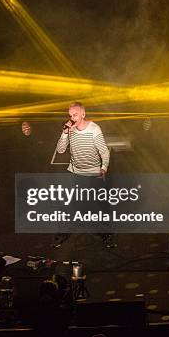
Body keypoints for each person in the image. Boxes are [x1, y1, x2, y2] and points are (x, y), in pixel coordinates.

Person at [55, 102, 114, 248]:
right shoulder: (70, 130)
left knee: (99, 204)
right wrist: (64, 133)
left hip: (93, 172)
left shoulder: (94, 129)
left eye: (75, 115)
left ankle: (106, 233)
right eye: (70, 115)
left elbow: (104, 151)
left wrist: (104, 167)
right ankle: (63, 234)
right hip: (75, 171)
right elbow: (61, 150)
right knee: (70, 204)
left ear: (83, 114)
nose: (72, 118)